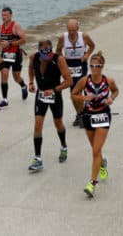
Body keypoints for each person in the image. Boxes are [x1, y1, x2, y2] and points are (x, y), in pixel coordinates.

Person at [71, 51, 119, 198]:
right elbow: (73, 94)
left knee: (95, 150)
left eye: (97, 65)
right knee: (95, 149)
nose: (94, 68)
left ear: (102, 66)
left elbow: (116, 91)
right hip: (88, 116)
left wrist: (111, 98)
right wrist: (84, 97)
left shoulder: (108, 81)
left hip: (103, 115)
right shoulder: (84, 81)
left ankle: (92, 183)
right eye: (92, 65)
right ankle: (103, 163)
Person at [27, 39, 73, 172]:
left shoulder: (59, 60)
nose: (46, 58)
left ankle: (63, 147)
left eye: (48, 55)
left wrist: (54, 90)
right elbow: (30, 68)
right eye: (43, 55)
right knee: (37, 124)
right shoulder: (34, 57)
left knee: (58, 122)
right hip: (41, 95)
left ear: (51, 51)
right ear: (39, 51)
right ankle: (38, 158)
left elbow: (69, 81)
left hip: (54, 94)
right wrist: (31, 82)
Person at [56, 19, 96, 128]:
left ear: (77, 29)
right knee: (73, 94)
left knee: (77, 91)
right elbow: (58, 50)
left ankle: (82, 115)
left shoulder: (84, 36)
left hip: (80, 63)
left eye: (73, 30)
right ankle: (80, 114)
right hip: (69, 65)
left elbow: (92, 46)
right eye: (69, 30)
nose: (71, 32)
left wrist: (87, 55)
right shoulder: (62, 38)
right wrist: (62, 59)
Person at [0, 7, 29, 109]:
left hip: (16, 54)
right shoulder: (1, 26)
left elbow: (24, 40)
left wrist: (9, 43)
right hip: (5, 55)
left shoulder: (16, 26)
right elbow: (1, 37)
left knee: (16, 77)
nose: (3, 17)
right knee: (4, 74)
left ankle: (23, 85)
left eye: (6, 15)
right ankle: (4, 100)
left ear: (11, 15)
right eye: (2, 15)